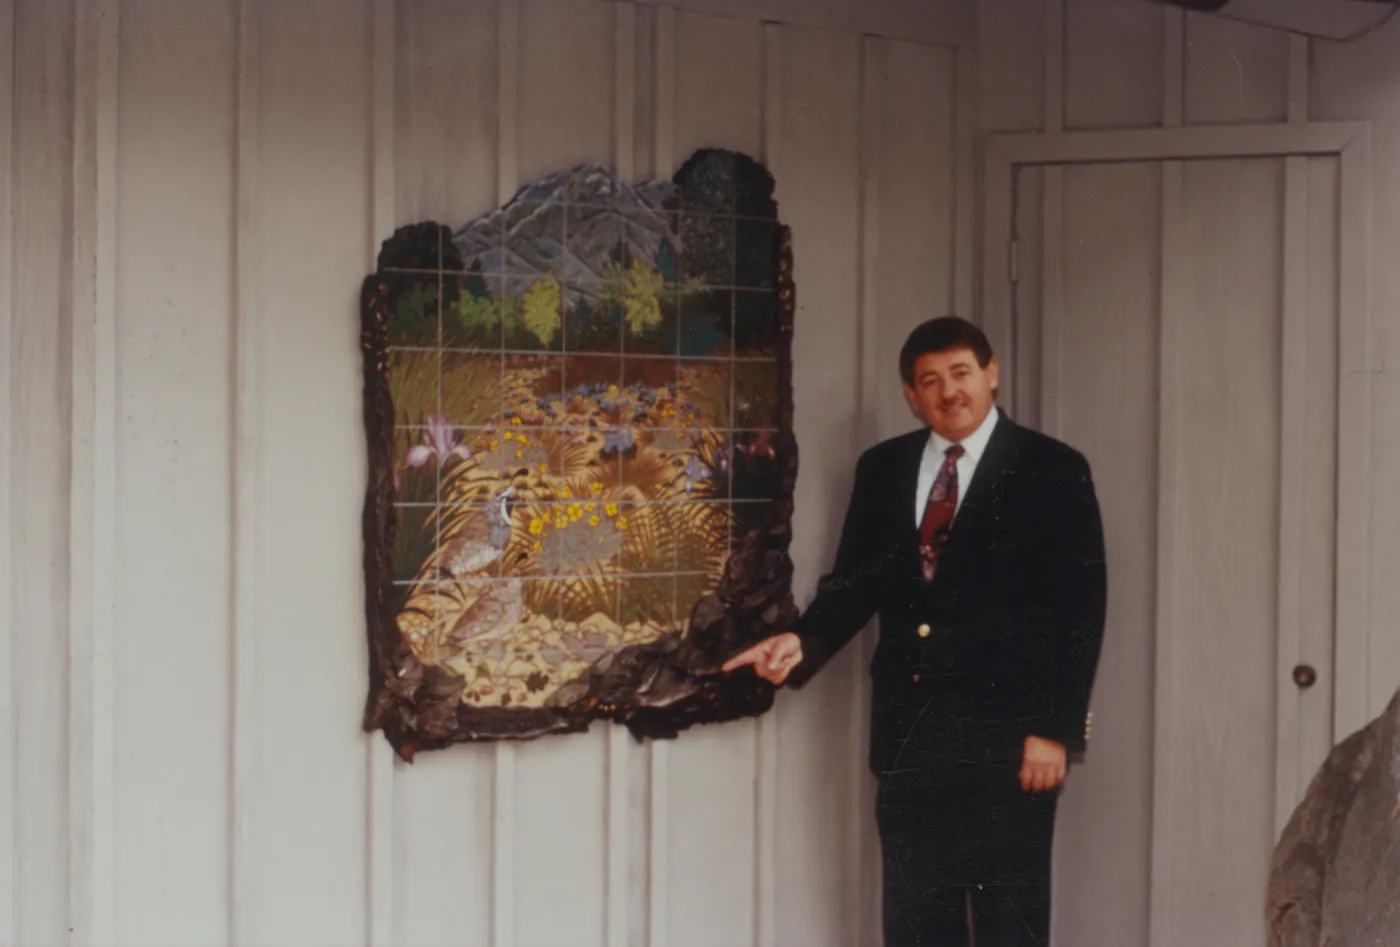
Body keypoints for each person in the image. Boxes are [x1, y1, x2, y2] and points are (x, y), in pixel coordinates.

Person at [723, 315, 1107, 946]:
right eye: (930, 380)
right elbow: (855, 582)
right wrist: (803, 641)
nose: (948, 391)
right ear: (911, 393)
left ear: (992, 374)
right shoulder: (885, 467)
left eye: (961, 373)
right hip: (911, 742)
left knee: (1010, 926)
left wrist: (1054, 730)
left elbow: (1080, 608)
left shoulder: (1053, 468)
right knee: (915, 926)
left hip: (1008, 746)